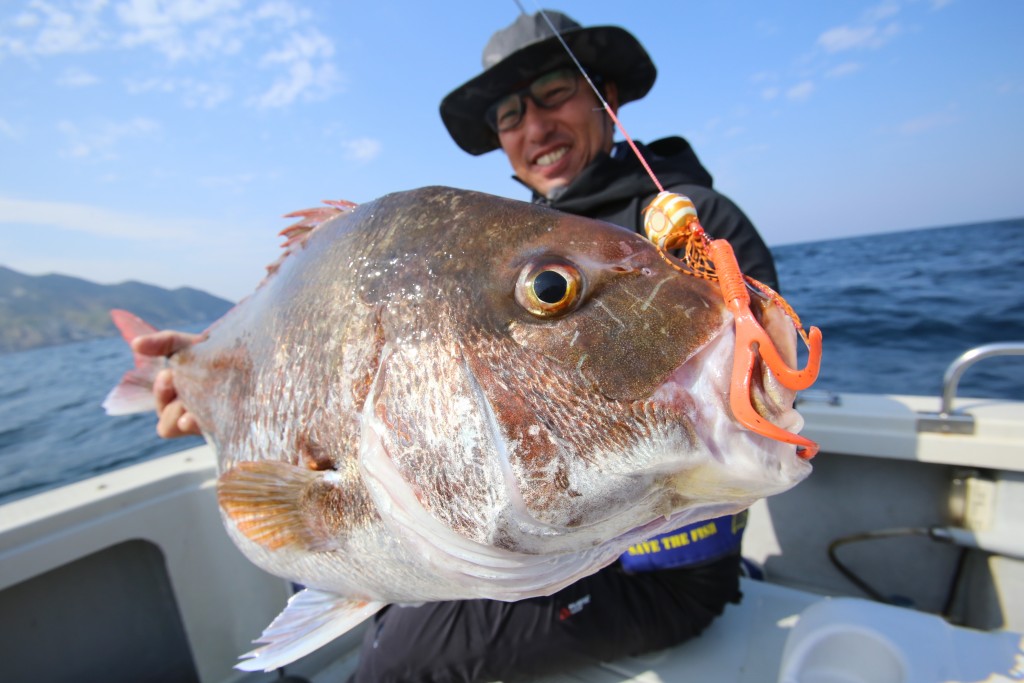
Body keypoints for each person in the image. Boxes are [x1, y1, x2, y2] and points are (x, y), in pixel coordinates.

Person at [138, 10, 780, 682]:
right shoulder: (473, 252)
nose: (535, 127)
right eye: (509, 114)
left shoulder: (692, 226)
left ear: (606, 96)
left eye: (556, 92)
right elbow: (272, 480)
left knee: (394, 660)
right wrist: (202, 372)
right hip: (516, 544)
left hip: (658, 572)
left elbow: (748, 391)